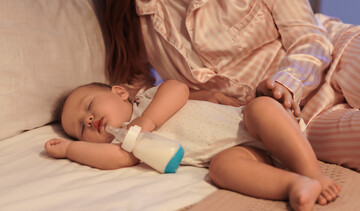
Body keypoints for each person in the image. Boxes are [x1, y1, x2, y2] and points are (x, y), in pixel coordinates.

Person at [92, 0, 360, 171]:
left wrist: (284, 84)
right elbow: (137, 94)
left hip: (336, 51)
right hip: (298, 122)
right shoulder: (133, 20)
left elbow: (310, 38)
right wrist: (198, 94)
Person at [45, 80, 341, 211]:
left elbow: (177, 88)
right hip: (242, 151)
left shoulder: (147, 100)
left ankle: (311, 171)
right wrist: (71, 150)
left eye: (89, 107)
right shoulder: (131, 144)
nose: (89, 119)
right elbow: (113, 158)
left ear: (120, 92)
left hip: (253, 124)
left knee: (260, 107)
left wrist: (148, 119)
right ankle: (294, 184)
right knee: (222, 169)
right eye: (82, 128)